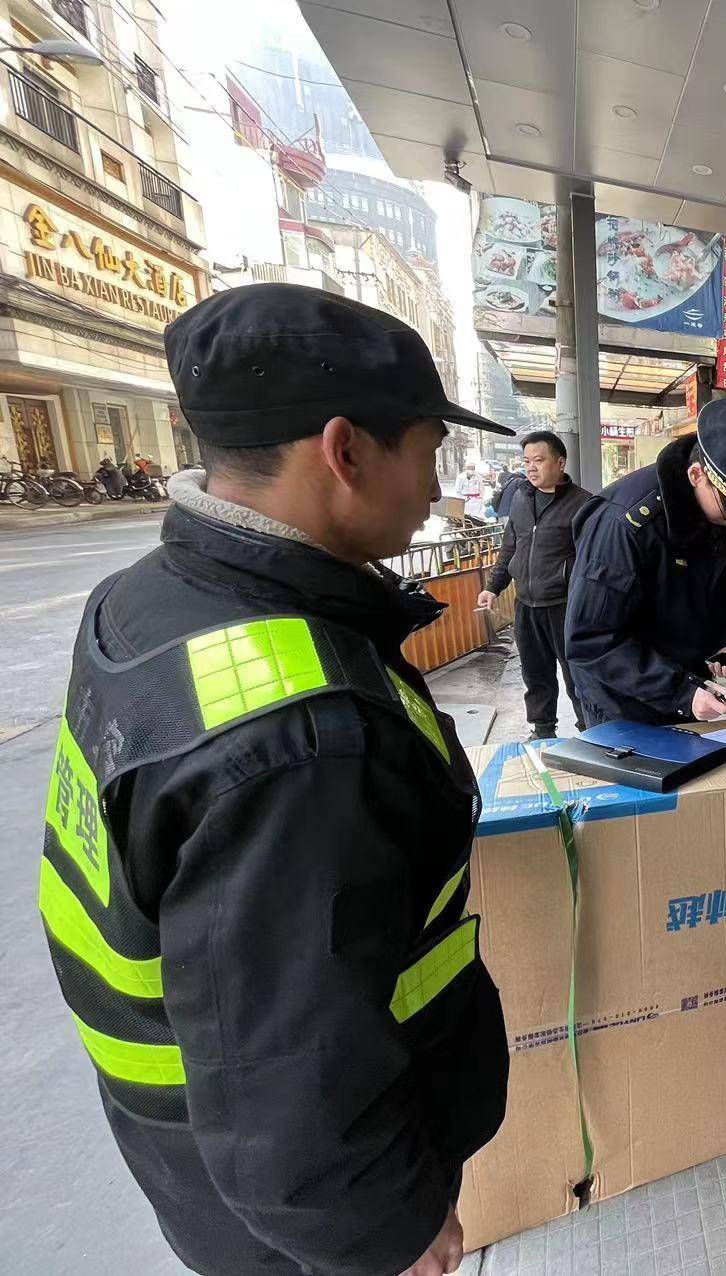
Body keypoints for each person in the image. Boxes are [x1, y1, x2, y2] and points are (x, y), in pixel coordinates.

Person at [36, 283, 513, 1276]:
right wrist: (385, 1231)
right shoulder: (306, 740)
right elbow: (289, 1067)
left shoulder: (143, 601)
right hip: (302, 1225)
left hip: (196, 1155)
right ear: (345, 452)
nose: (436, 487)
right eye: (429, 450)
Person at [565, 397, 726, 726]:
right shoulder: (624, 525)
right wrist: (681, 692)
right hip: (623, 697)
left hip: (688, 683)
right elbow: (590, 639)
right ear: (696, 475)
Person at [478, 430, 593, 738]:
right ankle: (542, 730)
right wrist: (493, 587)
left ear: (560, 463)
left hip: (565, 606)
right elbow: (510, 547)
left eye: (539, 460)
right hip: (527, 603)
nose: (531, 467)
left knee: (577, 674)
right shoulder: (521, 498)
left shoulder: (583, 504)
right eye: (527, 460)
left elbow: (591, 560)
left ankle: (589, 731)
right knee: (535, 672)